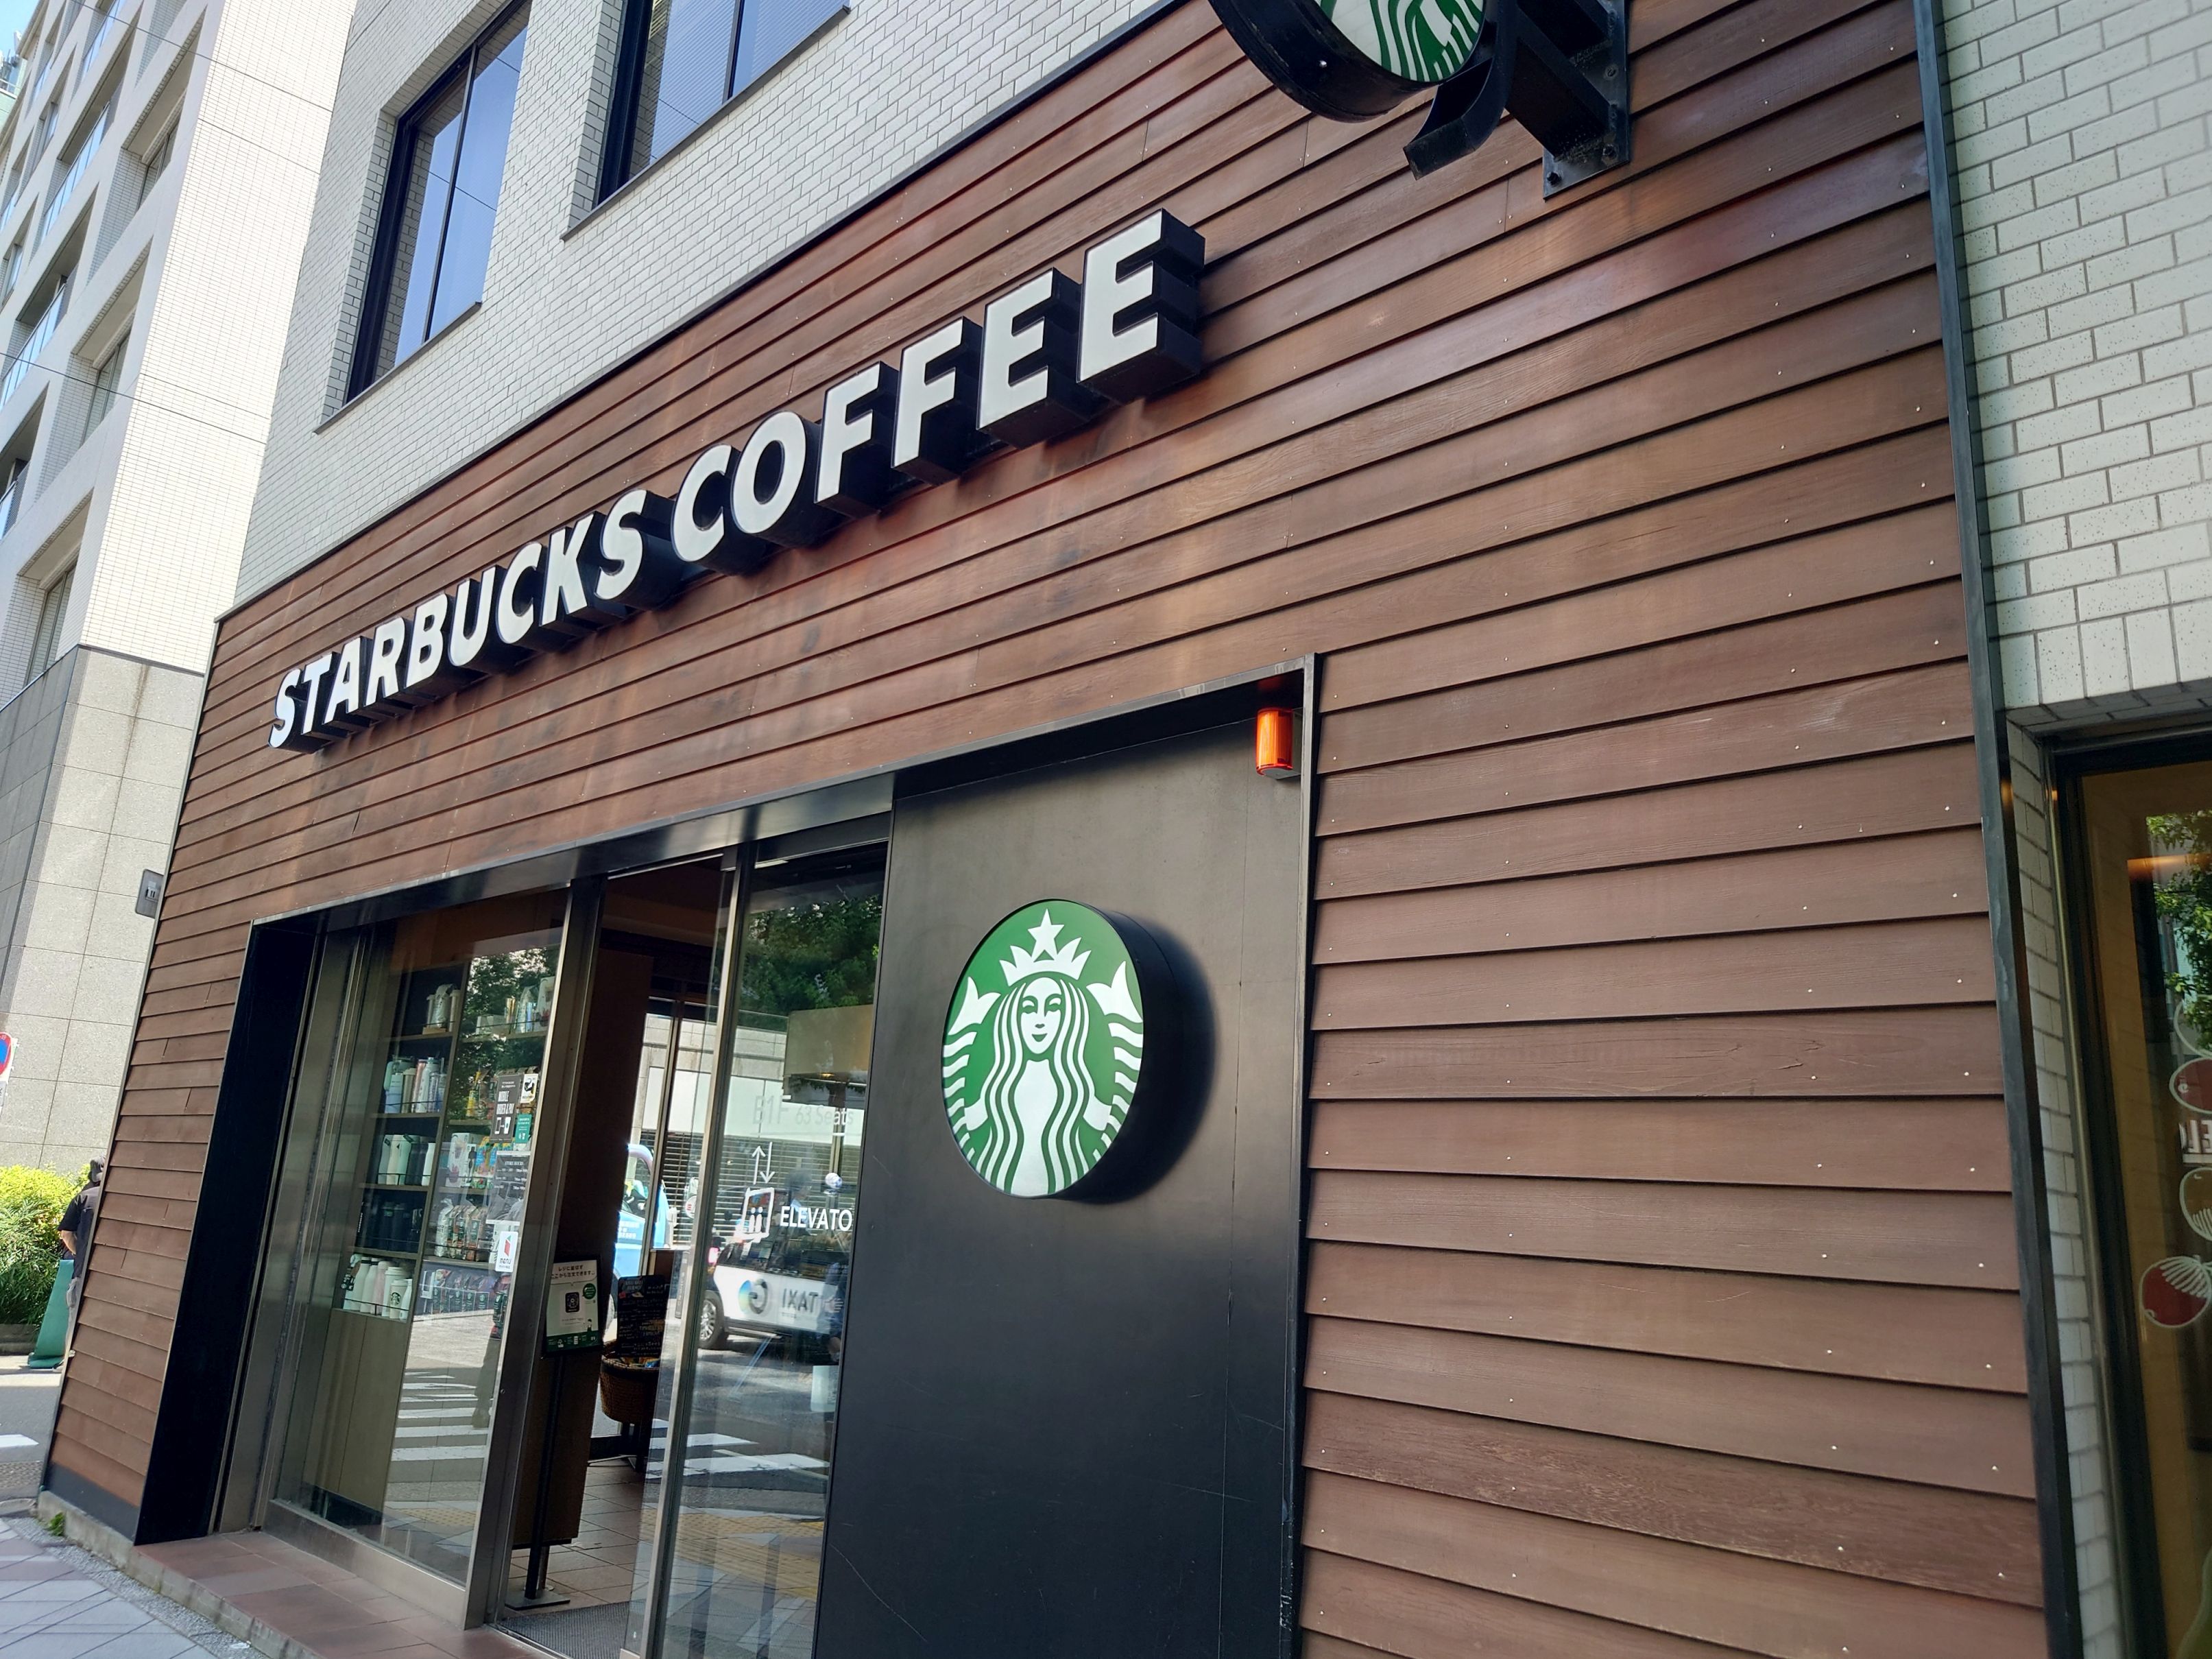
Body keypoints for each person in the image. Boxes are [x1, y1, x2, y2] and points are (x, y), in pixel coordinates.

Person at [57, 1160, 103, 1313]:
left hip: (83, 1271)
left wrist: (80, 1252)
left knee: (77, 1315)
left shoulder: (83, 1197)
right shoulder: (125, 1198)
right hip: (115, 1273)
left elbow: (66, 1234)